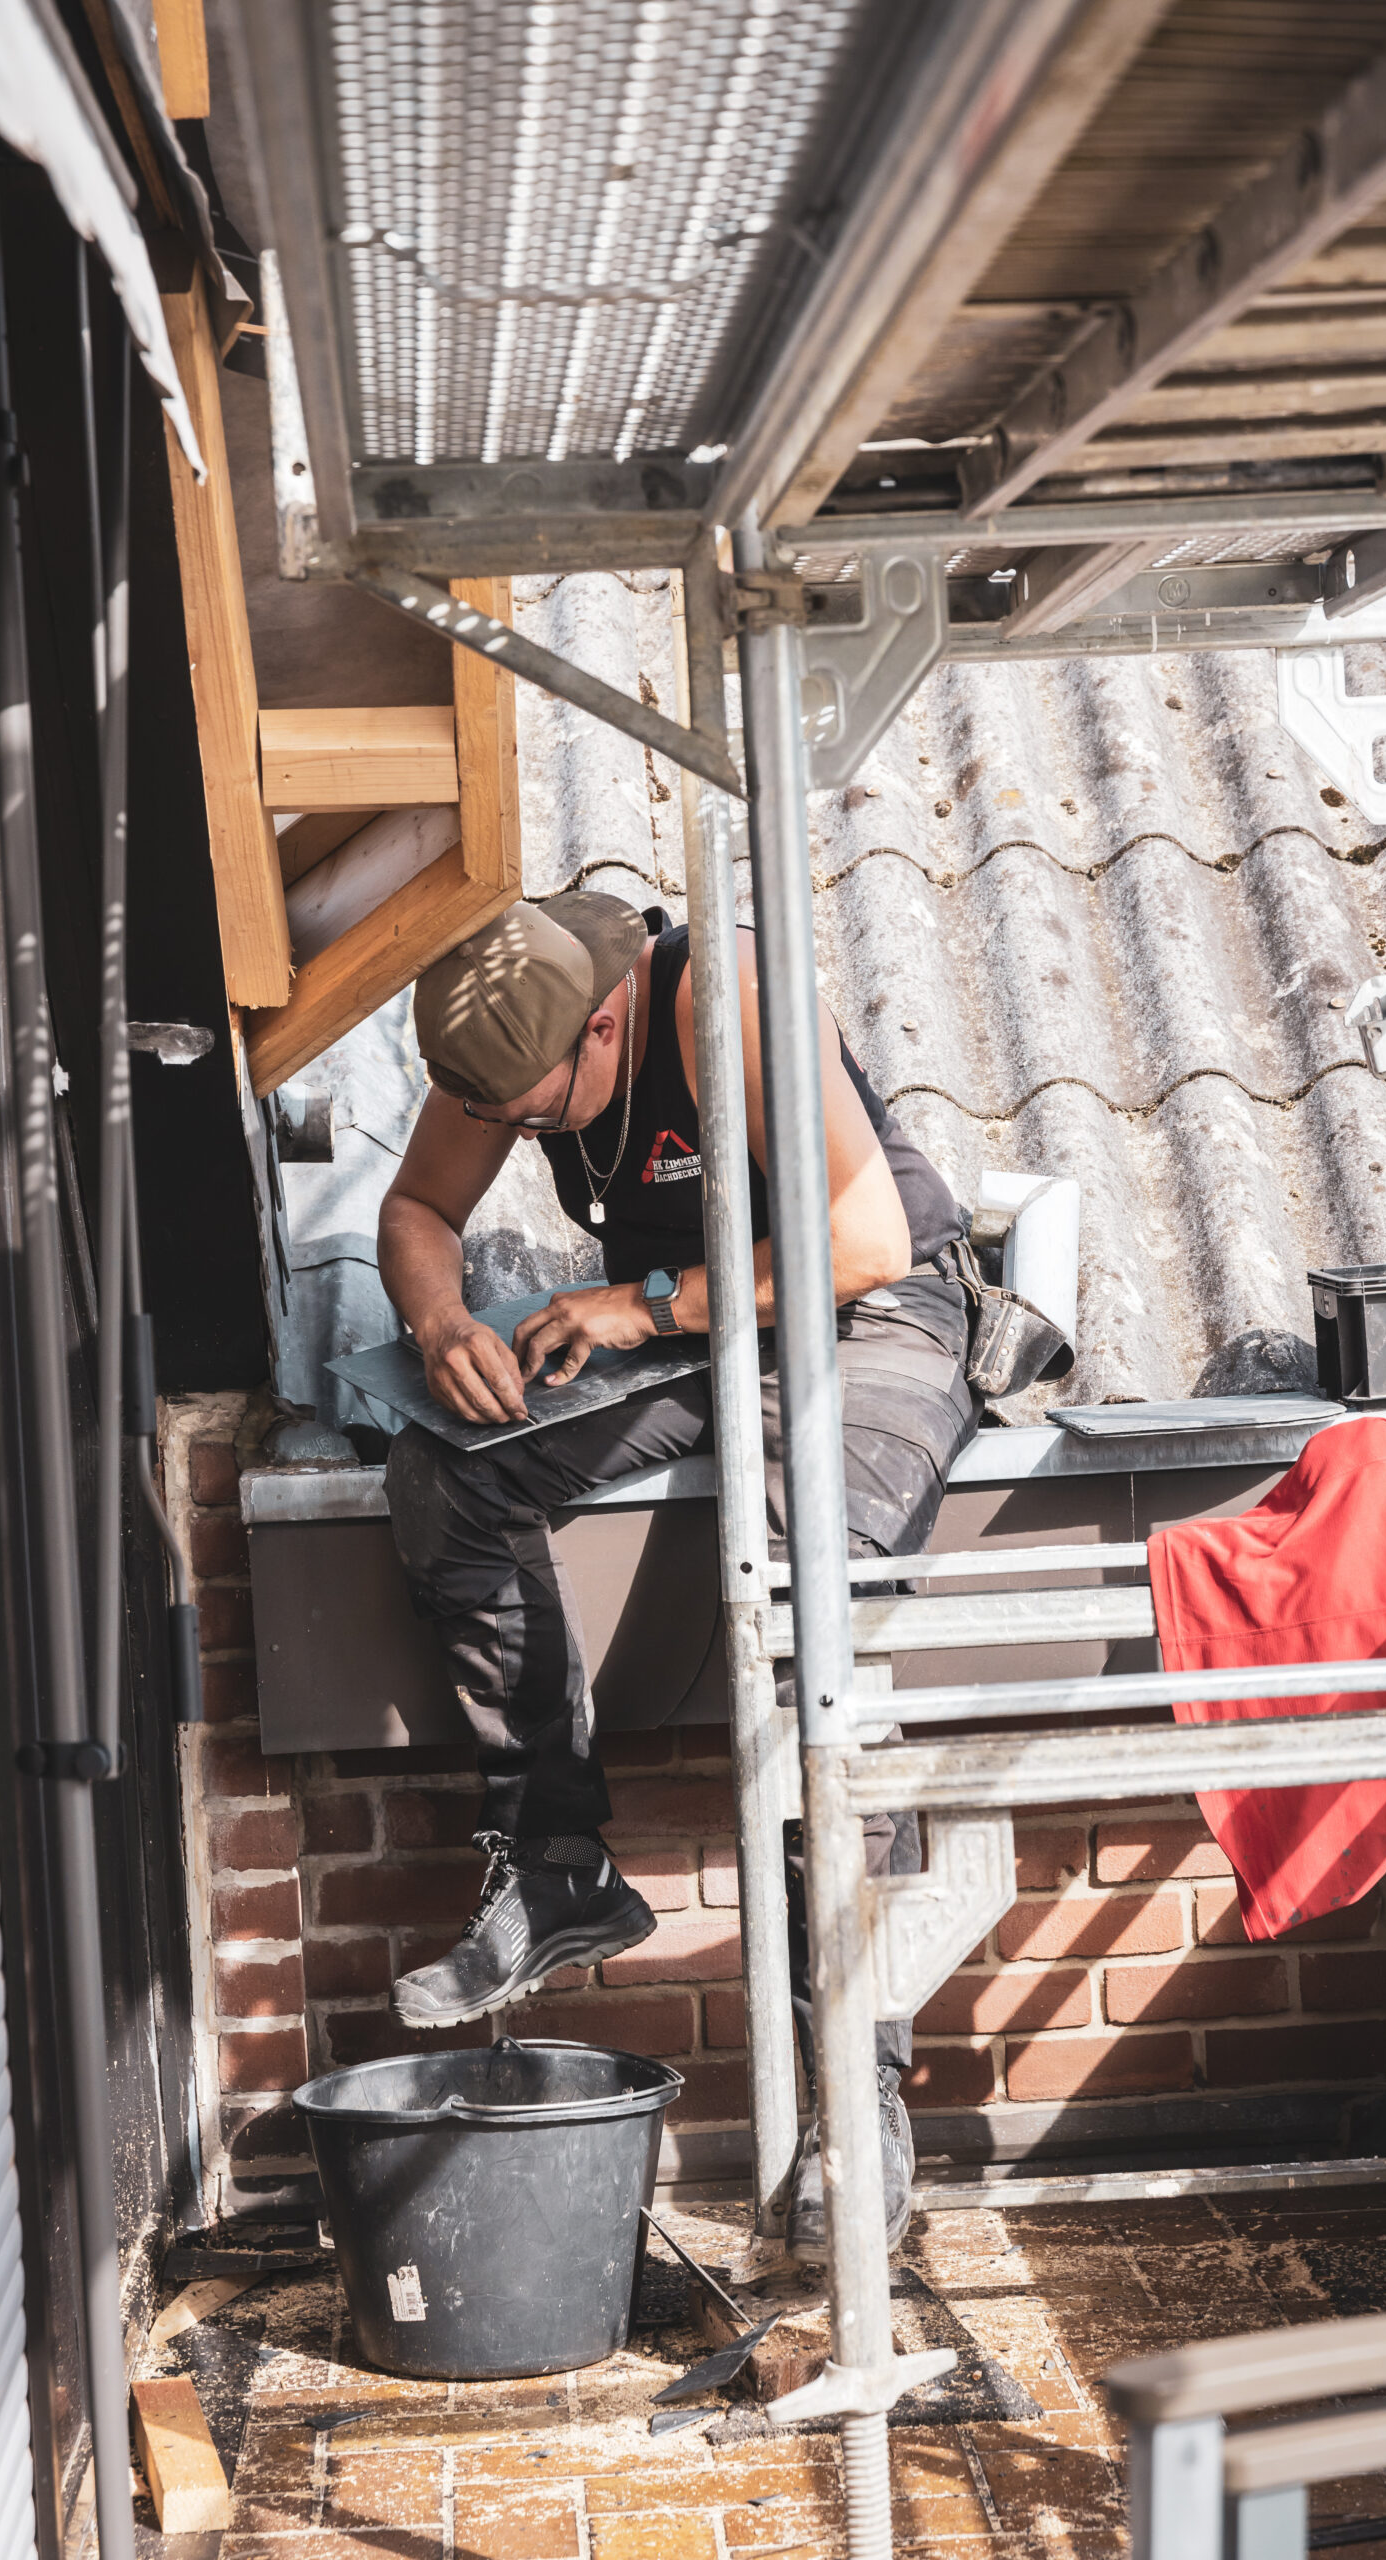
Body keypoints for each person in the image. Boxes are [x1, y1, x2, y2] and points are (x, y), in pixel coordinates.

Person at [377, 891, 978, 2257]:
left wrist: (642, 1304)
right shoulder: (505, 1023)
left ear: (606, 1022)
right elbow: (419, 1204)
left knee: (807, 1607)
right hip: (691, 1330)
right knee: (445, 1478)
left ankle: (858, 2106)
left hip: (866, 1314)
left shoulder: (726, 1001)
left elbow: (867, 1239)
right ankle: (558, 1867)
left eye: (537, 1119)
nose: (527, 1139)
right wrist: (439, 1320)